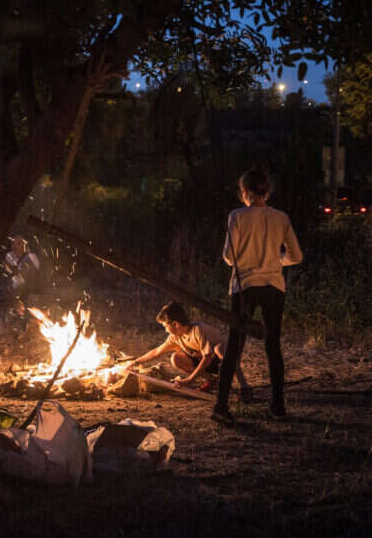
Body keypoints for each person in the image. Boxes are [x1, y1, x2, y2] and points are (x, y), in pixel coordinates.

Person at [211, 165, 303, 427]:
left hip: (245, 286)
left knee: (235, 346)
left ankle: (221, 407)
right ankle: (277, 405)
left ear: (245, 192)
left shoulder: (236, 217)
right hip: (274, 285)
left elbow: (230, 257)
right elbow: (296, 256)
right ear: (266, 192)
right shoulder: (281, 218)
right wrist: (276, 260)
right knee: (273, 346)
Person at [126, 301, 251, 397]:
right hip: (204, 362)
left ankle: (243, 387)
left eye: (165, 326)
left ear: (175, 324)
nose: (165, 330)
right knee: (175, 358)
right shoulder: (175, 337)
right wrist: (136, 362)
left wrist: (189, 380)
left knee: (219, 349)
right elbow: (157, 351)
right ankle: (213, 380)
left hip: (223, 361)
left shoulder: (198, 330)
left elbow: (207, 358)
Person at [0, 235, 42, 306]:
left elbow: (23, 275)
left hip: (23, 291)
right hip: (7, 288)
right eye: (13, 243)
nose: (14, 246)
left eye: (18, 243)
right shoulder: (9, 255)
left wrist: (7, 264)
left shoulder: (31, 257)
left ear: (25, 245)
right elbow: (5, 272)